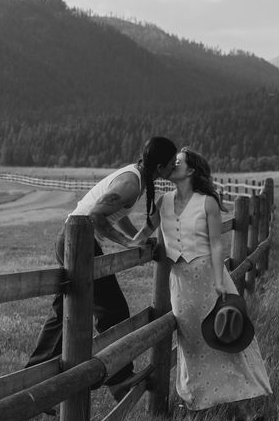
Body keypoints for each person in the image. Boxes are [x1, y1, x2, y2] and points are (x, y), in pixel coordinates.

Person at [26, 136, 177, 402]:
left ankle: (35, 385)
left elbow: (117, 213)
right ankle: (119, 379)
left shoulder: (137, 177)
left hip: (74, 241)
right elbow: (96, 215)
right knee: (113, 309)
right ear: (161, 167)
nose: (174, 168)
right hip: (77, 242)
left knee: (64, 314)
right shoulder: (131, 183)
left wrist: (136, 238)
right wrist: (127, 243)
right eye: (172, 164)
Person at [133, 147, 272, 421]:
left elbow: (217, 244)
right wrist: (128, 240)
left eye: (179, 162)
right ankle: (197, 404)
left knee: (225, 339)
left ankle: (246, 410)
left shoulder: (207, 202)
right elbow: (143, 234)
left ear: (191, 170)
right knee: (193, 344)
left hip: (210, 279)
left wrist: (221, 281)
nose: (173, 164)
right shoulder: (162, 202)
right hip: (182, 286)